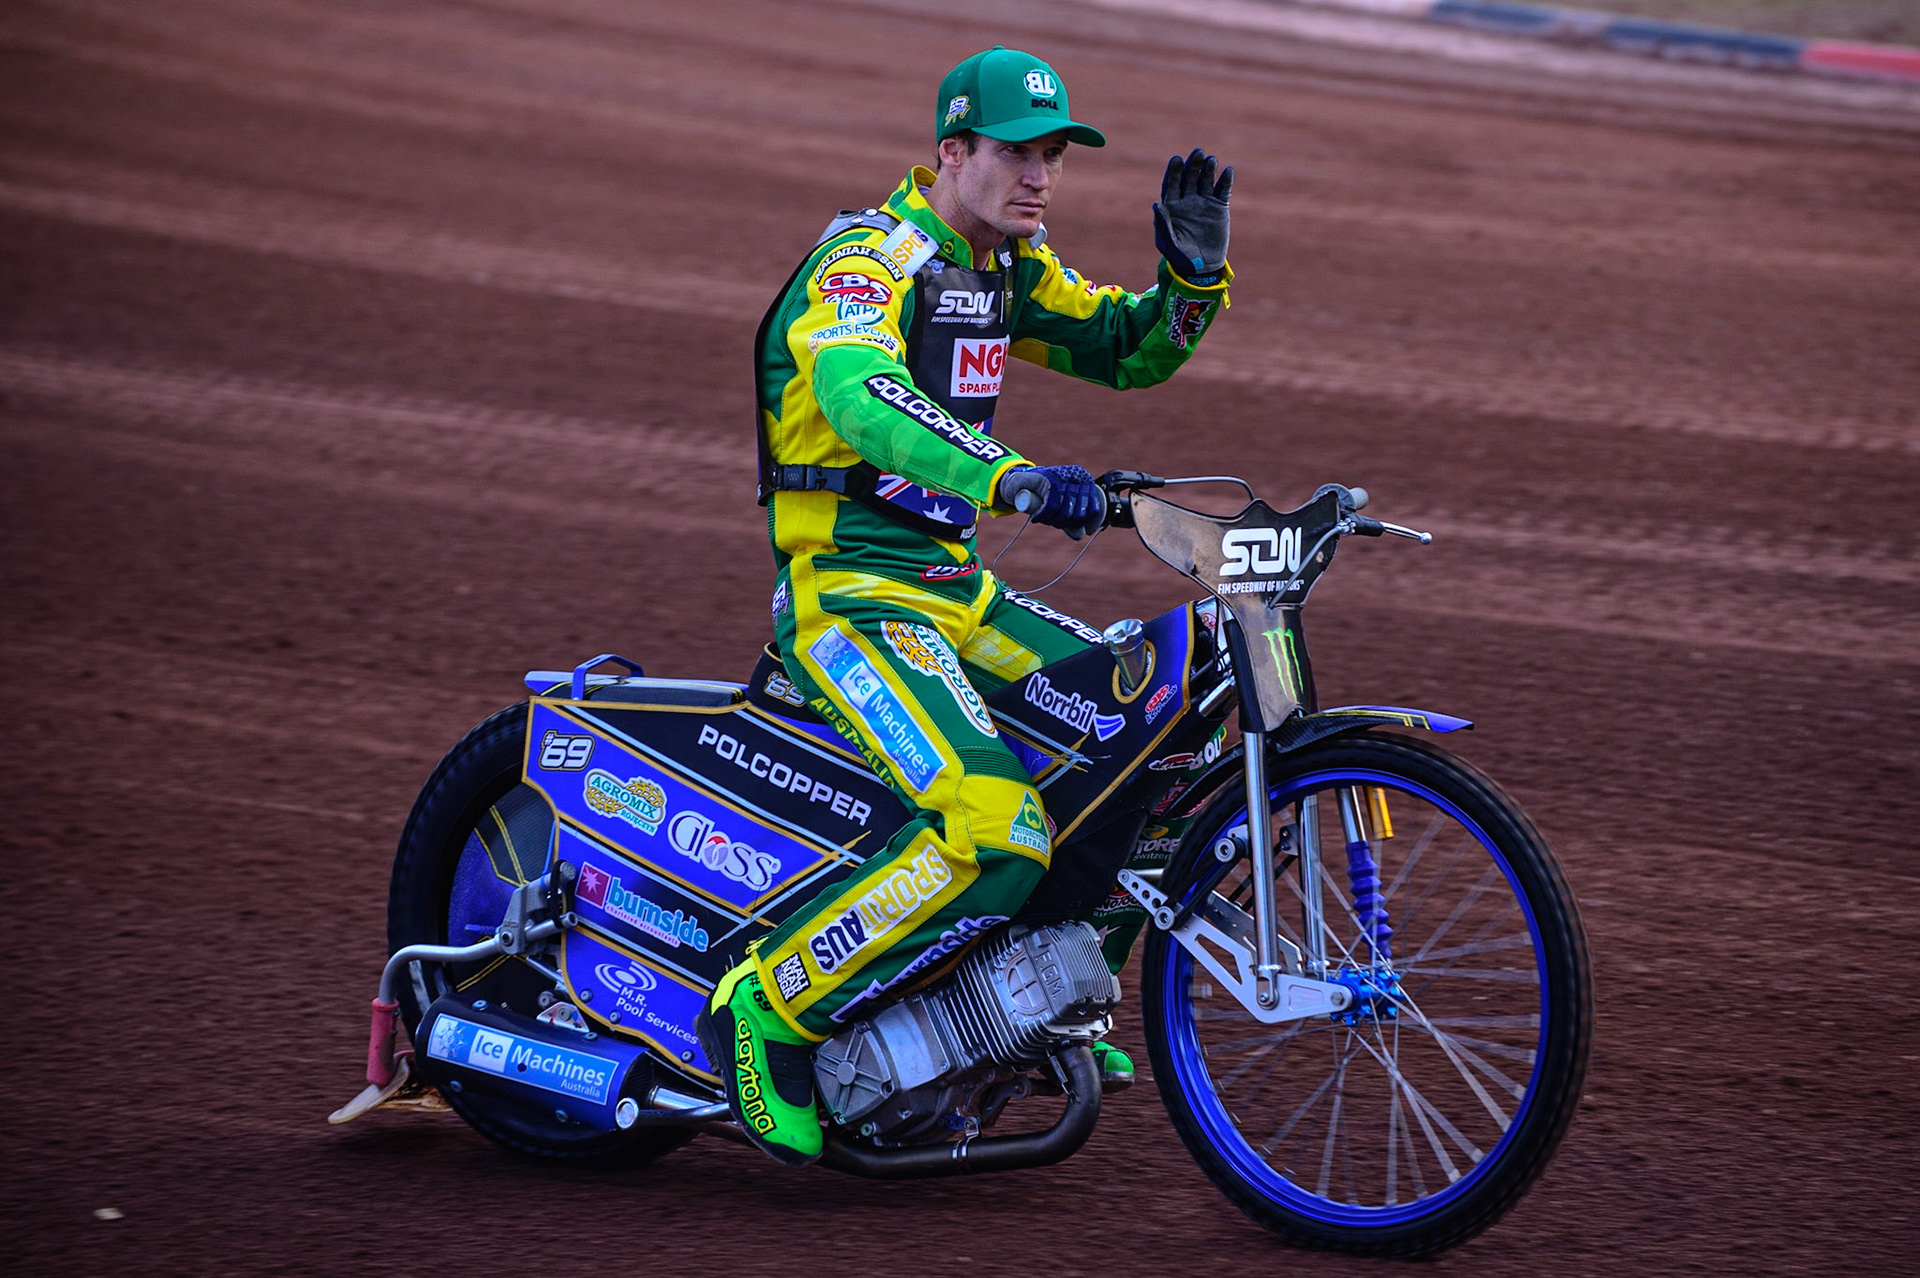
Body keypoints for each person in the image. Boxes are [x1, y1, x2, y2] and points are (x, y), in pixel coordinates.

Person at [699, 45, 1234, 1167]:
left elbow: (1125, 354)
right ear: (952, 150)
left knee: (1159, 735)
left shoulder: (1008, 268)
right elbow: (859, 393)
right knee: (998, 825)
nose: (1038, 177)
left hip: (959, 595)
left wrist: (1190, 287)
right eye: (1013, 153)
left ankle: (1041, 994)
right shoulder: (868, 257)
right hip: (849, 598)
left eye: (1051, 156)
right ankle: (771, 1009)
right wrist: (1005, 475)